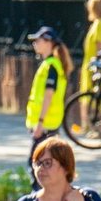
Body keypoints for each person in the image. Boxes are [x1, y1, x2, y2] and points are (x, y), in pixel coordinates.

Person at [24, 25, 71, 172]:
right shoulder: (49, 64)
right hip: (47, 123)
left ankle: (42, 194)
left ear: (48, 42)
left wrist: (40, 122)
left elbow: (48, 95)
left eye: (38, 40)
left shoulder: (51, 66)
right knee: (42, 164)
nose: (35, 43)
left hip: (46, 124)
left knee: (39, 166)